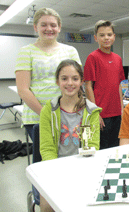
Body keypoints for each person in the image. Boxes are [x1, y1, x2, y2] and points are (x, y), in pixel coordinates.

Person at [39, 59, 101, 212]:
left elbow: (93, 146)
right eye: (64, 78)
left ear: (81, 81)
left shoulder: (91, 111)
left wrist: (79, 173)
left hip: (83, 169)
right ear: (57, 81)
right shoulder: (48, 110)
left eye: (74, 78)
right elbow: (47, 148)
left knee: (93, 203)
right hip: (56, 169)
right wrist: (59, 172)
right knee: (48, 210)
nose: (69, 83)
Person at [15, 7, 81, 141]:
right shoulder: (26, 52)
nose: (48, 29)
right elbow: (23, 90)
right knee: (46, 157)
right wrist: (48, 116)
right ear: (35, 27)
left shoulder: (70, 51)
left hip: (67, 115)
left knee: (68, 156)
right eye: (43, 25)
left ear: (59, 27)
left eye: (53, 25)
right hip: (37, 117)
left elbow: (77, 83)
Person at [84, 20, 125, 149]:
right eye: (102, 35)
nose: (106, 38)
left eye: (109, 34)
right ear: (96, 38)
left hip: (116, 113)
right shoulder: (93, 57)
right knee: (102, 148)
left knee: (115, 147)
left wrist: (122, 108)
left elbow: (118, 85)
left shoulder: (118, 58)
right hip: (101, 114)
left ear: (114, 36)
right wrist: (95, 112)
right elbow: (88, 86)